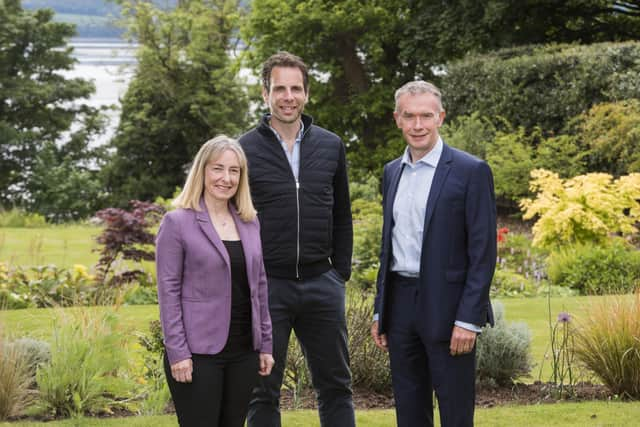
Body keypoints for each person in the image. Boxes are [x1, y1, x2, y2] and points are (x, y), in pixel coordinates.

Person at [370, 81, 497, 427]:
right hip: (400, 307)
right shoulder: (392, 172)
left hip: (450, 308)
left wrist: (468, 318)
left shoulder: (471, 171)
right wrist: (381, 309)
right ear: (397, 119)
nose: (418, 125)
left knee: (455, 412)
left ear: (441, 117)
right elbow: (389, 247)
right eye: (409, 116)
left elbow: (483, 253)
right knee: (409, 413)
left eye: (426, 115)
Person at [239, 51, 355, 427]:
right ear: (264, 93)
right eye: (279, 88)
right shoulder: (243, 150)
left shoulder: (331, 145)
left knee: (336, 385)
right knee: (262, 389)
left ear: (306, 93)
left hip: (323, 283)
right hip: (268, 285)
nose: (288, 96)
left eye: (296, 88)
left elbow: (342, 213)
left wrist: (340, 273)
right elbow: (233, 219)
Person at [156, 135, 275, 427]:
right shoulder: (177, 222)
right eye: (218, 169)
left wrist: (266, 344)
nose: (226, 178)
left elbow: (259, 286)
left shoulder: (249, 222)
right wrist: (178, 352)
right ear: (202, 171)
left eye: (234, 171)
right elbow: (168, 293)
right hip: (198, 355)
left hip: (244, 352)